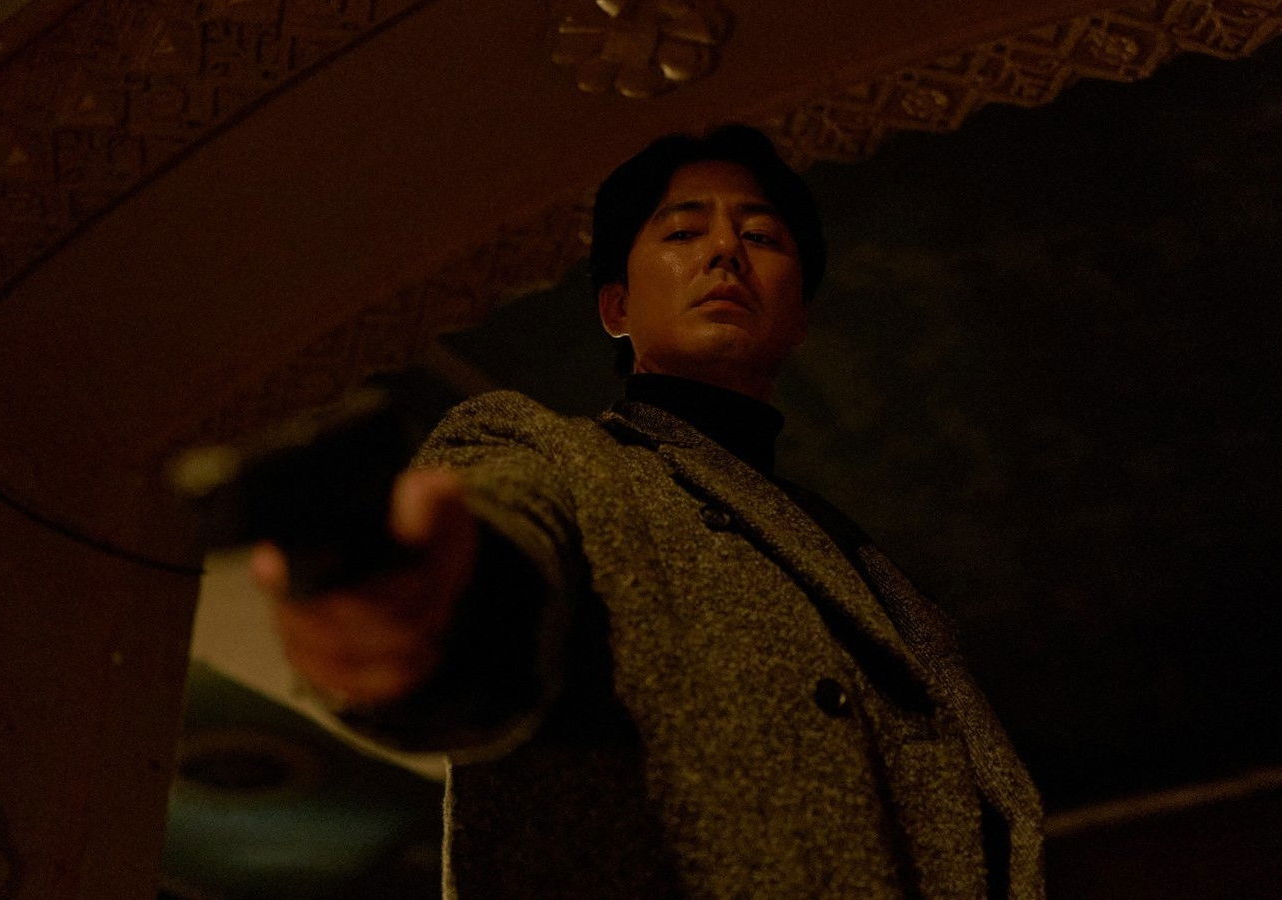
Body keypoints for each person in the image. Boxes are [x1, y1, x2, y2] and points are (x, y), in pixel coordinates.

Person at [251, 125, 1044, 898]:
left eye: (762, 237)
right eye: (684, 231)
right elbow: (507, 553)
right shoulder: (552, 454)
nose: (725, 250)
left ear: (799, 317)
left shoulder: (864, 564)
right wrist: (425, 607)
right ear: (616, 307)